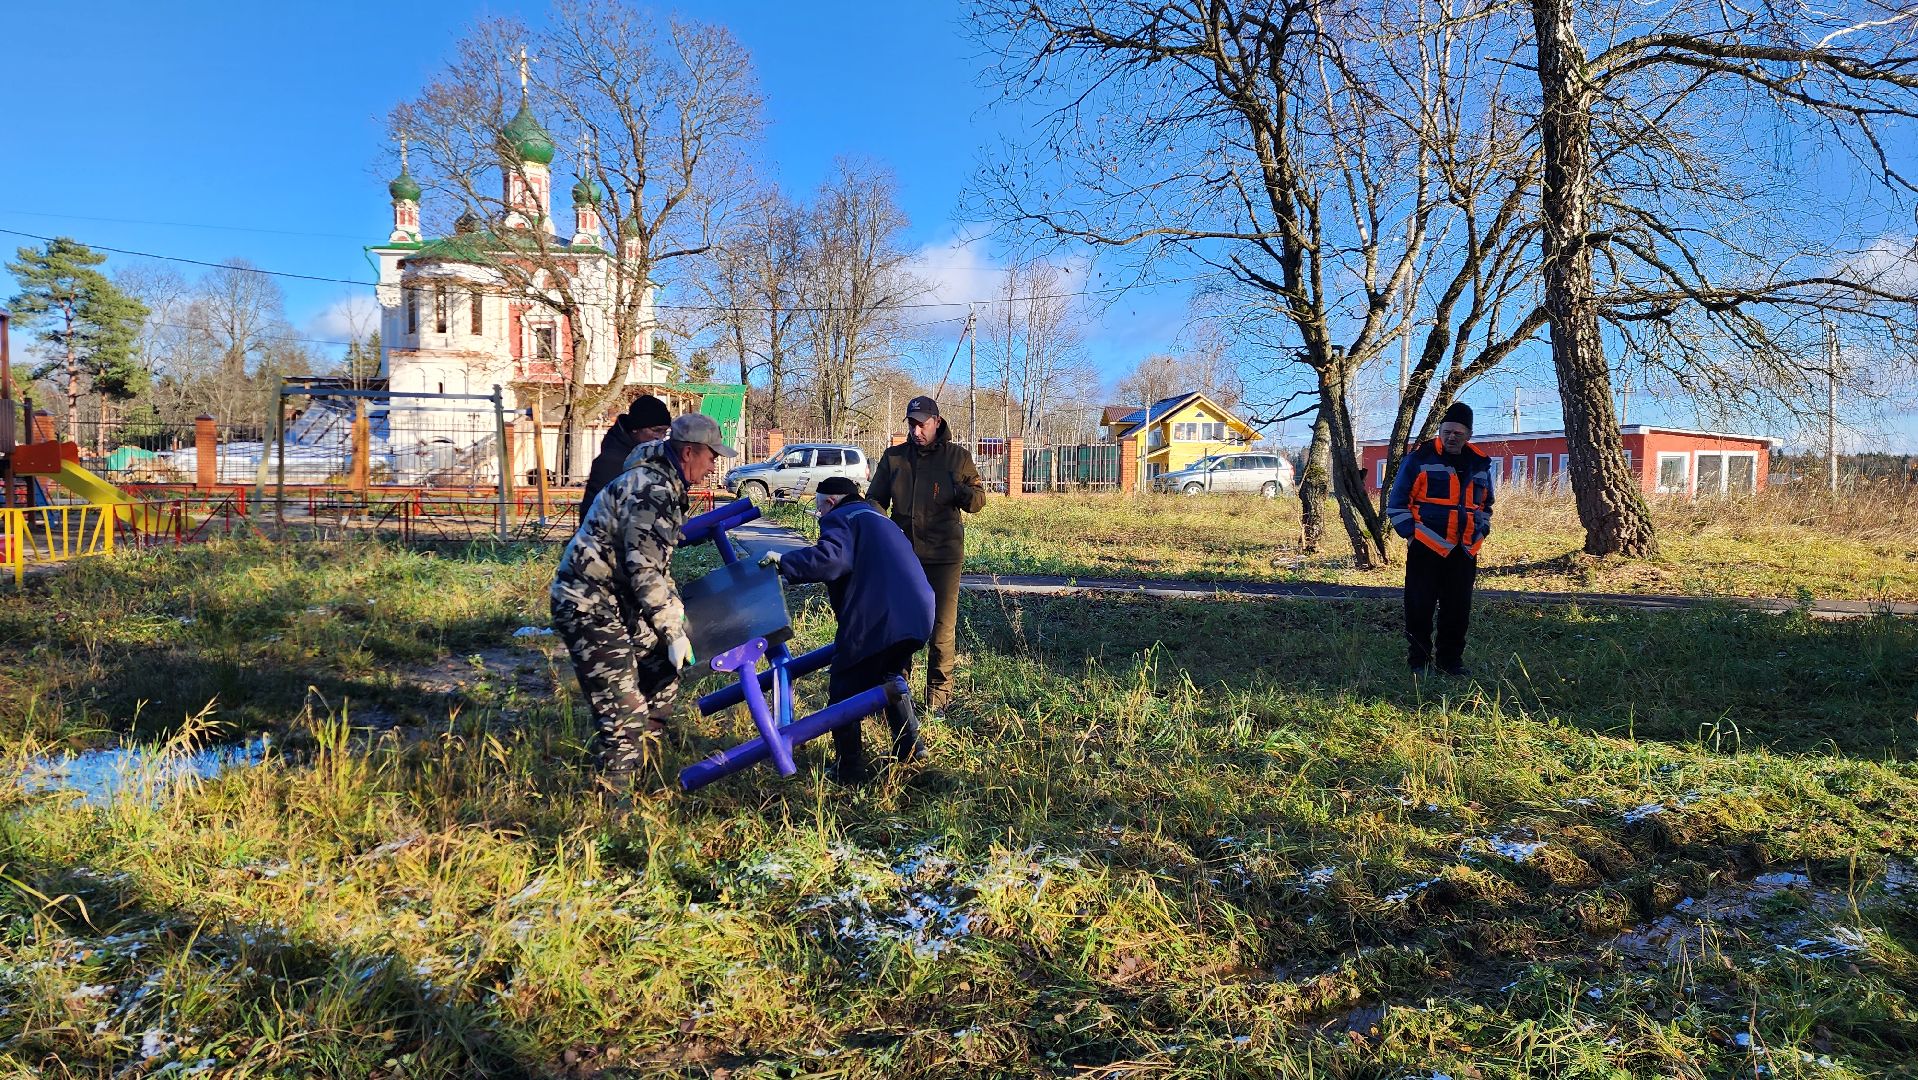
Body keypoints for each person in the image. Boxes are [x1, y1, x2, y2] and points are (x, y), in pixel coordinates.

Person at [550, 412, 734, 789]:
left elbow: (657, 564)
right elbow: (644, 571)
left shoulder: (665, 483)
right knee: (624, 712)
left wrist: (675, 615)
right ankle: (616, 807)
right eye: (711, 456)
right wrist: (672, 630)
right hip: (588, 605)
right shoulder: (653, 491)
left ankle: (647, 767)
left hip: (620, 602)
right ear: (688, 453)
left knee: (662, 672)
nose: (714, 465)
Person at [760, 476, 934, 782]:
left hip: (879, 622)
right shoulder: (878, 518)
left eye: (818, 509)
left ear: (830, 502)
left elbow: (831, 560)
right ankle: (911, 749)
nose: (819, 517)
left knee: (843, 691)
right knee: (888, 677)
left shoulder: (840, 518)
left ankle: (849, 769)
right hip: (918, 615)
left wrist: (785, 562)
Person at [865, 395, 985, 714]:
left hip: (944, 557)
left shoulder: (957, 458)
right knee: (902, 626)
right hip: (903, 557)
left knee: (941, 629)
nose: (917, 430)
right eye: (912, 424)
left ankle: (938, 702)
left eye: (922, 424)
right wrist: (880, 531)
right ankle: (898, 695)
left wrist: (958, 490)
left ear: (937, 422)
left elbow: (977, 501)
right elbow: (874, 501)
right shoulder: (894, 459)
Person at [1386, 401, 1495, 677]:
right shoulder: (1419, 458)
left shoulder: (1480, 463)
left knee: (1458, 610)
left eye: (1458, 433)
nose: (1451, 437)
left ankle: (1450, 663)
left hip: (1465, 549)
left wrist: (1481, 530)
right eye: (1446, 431)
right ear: (1440, 430)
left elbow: (1485, 505)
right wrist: (1411, 535)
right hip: (1427, 545)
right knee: (1419, 607)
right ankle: (1419, 663)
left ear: (1468, 435)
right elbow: (1397, 503)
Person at [579, 394, 673, 520]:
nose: (660, 437)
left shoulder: (650, 455)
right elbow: (594, 514)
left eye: (664, 432)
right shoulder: (610, 461)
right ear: (635, 428)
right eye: (656, 430)